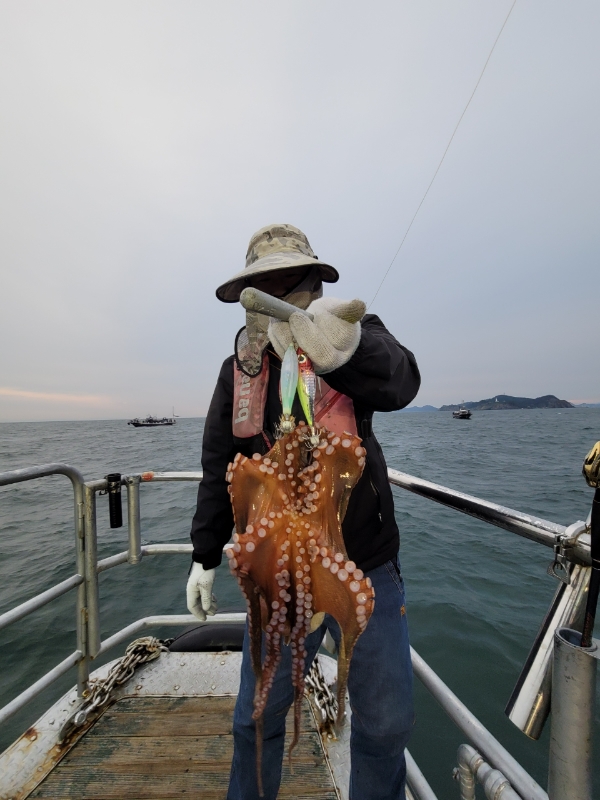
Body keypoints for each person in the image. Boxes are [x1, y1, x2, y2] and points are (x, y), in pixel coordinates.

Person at [187, 223, 421, 800]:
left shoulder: (356, 334)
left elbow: (402, 381)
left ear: (316, 283)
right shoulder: (241, 368)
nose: (281, 297)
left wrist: (345, 349)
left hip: (364, 562)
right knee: (257, 718)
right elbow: (221, 460)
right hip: (279, 574)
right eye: (266, 287)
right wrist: (204, 554)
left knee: (386, 724)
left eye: (293, 282)